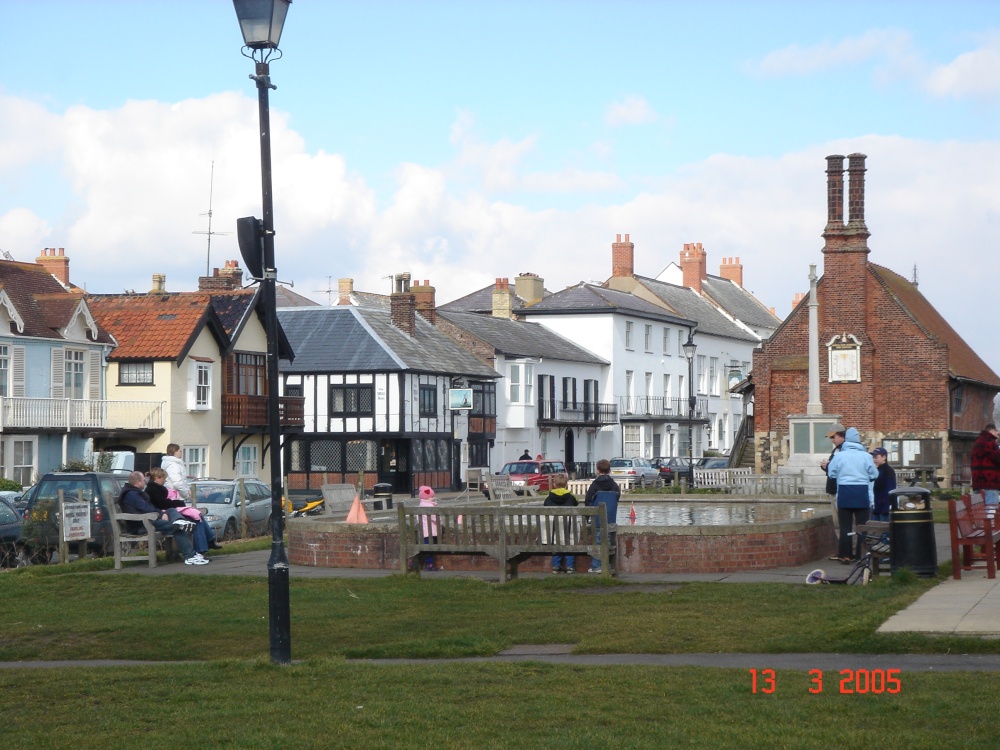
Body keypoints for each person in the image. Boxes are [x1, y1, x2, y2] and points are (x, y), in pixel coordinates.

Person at [118, 471, 208, 565]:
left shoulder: (134, 492)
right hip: (141, 525)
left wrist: (161, 513)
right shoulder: (132, 494)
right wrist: (160, 514)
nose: (145, 482)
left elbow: (148, 508)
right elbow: (145, 508)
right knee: (177, 527)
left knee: (171, 511)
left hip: (148, 520)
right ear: (138, 482)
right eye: (143, 480)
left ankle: (180, 521)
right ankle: (190, 556)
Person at [827, 427, 878, 563]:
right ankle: (861, 555)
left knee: (845, 527)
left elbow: (831, 472)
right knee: (862, 526)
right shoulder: (866, 456)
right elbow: (874, 474)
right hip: (861, 493)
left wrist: (841, 476)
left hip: (844, 492)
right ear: (858, 440)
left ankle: (845, 555)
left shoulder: (839, 456)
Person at [146, 467, 222, 554]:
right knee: (196, 519)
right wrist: (178, 503)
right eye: (164, 478)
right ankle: (203, 547)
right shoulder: (153, 490)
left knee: (197, 516)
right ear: (157, 478)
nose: (165, 481)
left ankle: (207, 542)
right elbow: (162, 504)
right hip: (164, 516)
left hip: (166, 513)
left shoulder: (155, 489)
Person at [584, 459, 620, 574]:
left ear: (598, 471)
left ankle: (597, 565)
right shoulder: (614, 486)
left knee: (598, 541)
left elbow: (588, 501)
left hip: (598, 520)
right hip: (610, 520)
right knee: (607, 541)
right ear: (609, 470)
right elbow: (617, 499)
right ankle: (606, 564)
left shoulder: (595, 485)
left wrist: (587, 518)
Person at [544, 473, 578, 574]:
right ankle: (570, 566)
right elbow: (576, 505)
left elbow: (545, 507)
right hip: (568, 528)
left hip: (555, 529)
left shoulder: (549, 498)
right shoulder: (571, 497)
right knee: (570, 543)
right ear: (566, 484)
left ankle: (556, 566)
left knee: (556, 541)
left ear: (554, 484)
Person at [971, 423, 1000, 507]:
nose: (998, 435)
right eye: (997, 433)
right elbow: (997, 458)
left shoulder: (978, 442)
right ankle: (990, 521)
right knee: (991, 510)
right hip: (990, 482)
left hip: (978, 482)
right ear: (991, 431)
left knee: (980, 509)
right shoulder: (990, 442)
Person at [820, 423, 846, 497]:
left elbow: (842, 467)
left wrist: (828, 466)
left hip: (840, 489)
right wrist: (825, 466)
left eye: (833, 437)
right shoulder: (836, 449)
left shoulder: (845, 450)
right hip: (833, 489)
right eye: (830, 438)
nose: (831, 440)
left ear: (840, 435)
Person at [871, 447, 896, 521]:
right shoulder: (876, 470)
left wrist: (886, 504)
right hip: (876, 504)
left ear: (884, 457)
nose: (874, 459)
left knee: (884, 528)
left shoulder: (888, 471)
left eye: (876, 457)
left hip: (884, 505)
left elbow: (890, 488)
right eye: (873, 457)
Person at [418, 485, 439, 572]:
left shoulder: (420, 505)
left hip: (424, 532)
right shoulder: (429, 507)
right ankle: (429, 564)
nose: (433, 498)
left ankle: (415, 562)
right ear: (426, 498)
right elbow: (435, 518)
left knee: (426, 547)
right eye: (431, 497)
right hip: (431, 532)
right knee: (429, 548)